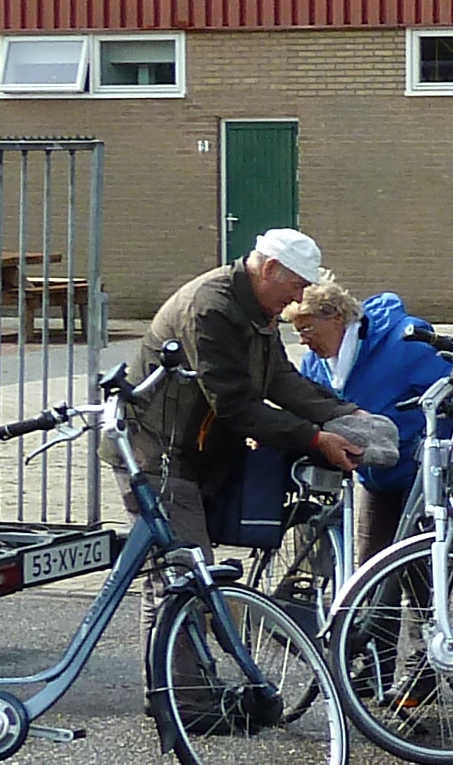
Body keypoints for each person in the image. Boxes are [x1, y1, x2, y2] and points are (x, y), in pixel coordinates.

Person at [128, 227, 389, 561]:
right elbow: (234, 404)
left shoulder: (256, 307)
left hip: (195, 453)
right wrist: (316, 439)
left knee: (181, 582)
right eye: (297, 285)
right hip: (157, 454)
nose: (298, 298)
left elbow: (279, 378)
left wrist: (346, 414)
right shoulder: (211, 308)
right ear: (269, 269)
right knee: (187, 574)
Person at [284, 276, 453, 527]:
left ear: (336, 317)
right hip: (376, 473)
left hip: (422, 474)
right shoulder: (314, 364)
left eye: (307, 329)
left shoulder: (403, 342)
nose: (302, 340)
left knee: (417, 561)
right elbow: (305, 406)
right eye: (297, 331)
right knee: (372, 563)